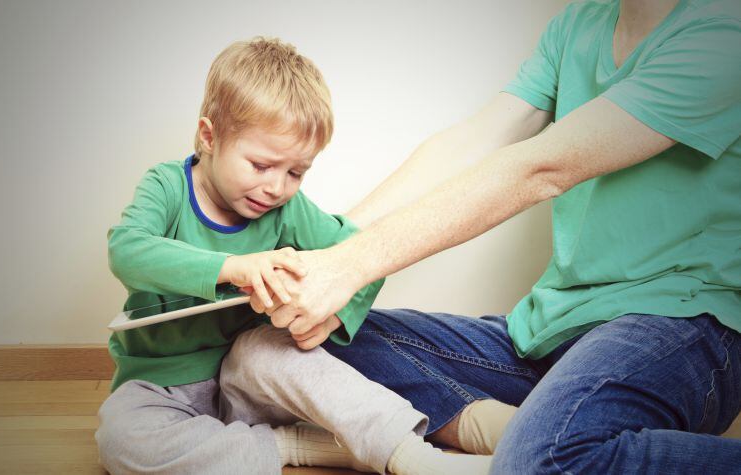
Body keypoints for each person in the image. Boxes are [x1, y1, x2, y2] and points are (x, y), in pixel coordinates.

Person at [250, 1, 741, 473]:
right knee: (295, 341)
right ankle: (524, 433)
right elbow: (473, 142)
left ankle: (540, 445)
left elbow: (543, 168)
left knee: (547, 460)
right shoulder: (578, 24)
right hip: (552, 329)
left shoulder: (724, 33)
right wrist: (321, 257)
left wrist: (353, 264)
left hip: (682, 327)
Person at [95, 37, 492, 475]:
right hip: (159, 385)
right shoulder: (167, 187)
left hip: (247, 379)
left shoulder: (285, 208)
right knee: (120, 442)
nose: (277, 187)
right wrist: (230, 267)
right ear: (209, 137)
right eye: (261, 166)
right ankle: (291, 446)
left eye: (296, 172)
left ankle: (406, 454)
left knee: (268, 351)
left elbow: (358, 251)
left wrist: (334, 317)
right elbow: (127, 249)